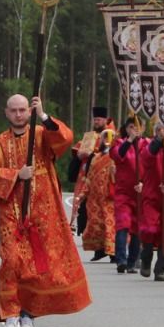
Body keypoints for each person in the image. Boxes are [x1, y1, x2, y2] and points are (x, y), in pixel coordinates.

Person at [0, 95, 92, 327]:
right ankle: (10, 311)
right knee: (11, 259)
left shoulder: (41, 134)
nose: (19, 114)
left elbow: (65, 139)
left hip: (43, 211)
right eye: (14, 110)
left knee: (37, 264)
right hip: (11, 211)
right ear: (6, 112)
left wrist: (43, 114)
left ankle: (28, 312)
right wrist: (15, 175)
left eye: (23, 110)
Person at [139, 120, 164, 280]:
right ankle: (146, 259)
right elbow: (145, 158)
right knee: (149, 229)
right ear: (156, 131)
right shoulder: (149, 146)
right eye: (162, 130)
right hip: (151, 195)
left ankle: (161, 268)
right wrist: (157, 142)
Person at [73, 107, 116, 261]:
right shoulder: (89, 136)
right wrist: (79, 155)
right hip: (91, 184)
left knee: (110, 221)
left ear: (105, 120)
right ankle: (99, 250)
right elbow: (81, 156)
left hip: (110, 189)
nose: (97, 121)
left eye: (99, 119)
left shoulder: (111, 134)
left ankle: (113, 252)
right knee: (95, 221)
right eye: (95, 119)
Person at [111, 116, 147, 273]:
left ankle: (133, 261)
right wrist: (129, 140)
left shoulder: (147, 145)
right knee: (123, 224)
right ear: (127, 129)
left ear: (143, 128)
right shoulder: (119, 143)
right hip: (123, 193)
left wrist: (144, 184)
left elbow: (153, 166)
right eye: (131, 126)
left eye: (138, 126)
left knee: (137, 228)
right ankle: (121, 259)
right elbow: (118, 156)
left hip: (140, 193)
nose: (135, 129)